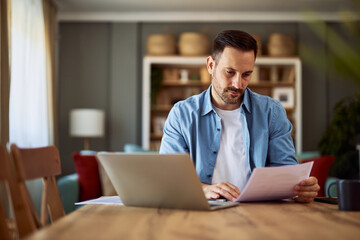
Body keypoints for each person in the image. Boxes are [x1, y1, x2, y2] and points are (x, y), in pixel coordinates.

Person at [160, 30, 319, 203]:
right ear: (211, 65)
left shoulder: (272, 112)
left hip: (258, 213)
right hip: (203, 211)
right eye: (230, 72)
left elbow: (286, 172)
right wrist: (203, 189)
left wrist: (300, 189)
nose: (238, 84)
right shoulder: (181, 114)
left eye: (246, 74)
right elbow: (169, 178)